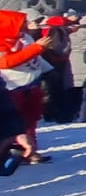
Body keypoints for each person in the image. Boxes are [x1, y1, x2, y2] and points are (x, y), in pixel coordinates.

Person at [0, 10, 54, 164]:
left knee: (30, 121)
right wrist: (36, 48)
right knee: (11, 123)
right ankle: (9, 153)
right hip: (11, 87)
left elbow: (35, 57)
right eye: (22, 23)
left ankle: (31, 151)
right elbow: (5, 62)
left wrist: (49, 70)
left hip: (31, 84)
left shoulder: (26, 38)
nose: (25, 25)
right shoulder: (2, 40)